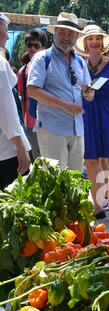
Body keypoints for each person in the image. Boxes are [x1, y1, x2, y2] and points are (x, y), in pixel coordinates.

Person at [74, 25, 109, 223]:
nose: (94, 42)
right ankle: (98, 207)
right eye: (90, 39)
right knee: (90, 162)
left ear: (102, 42)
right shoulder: (79, 65)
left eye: (98, 38)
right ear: (85, 43)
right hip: (87, 116)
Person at [27, 13, 94, 172]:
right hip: (52, 130)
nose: (66, 37)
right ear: (55, 32)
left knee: (75, 183)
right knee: (55, 183)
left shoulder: (81, 62)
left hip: (77, 130)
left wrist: (88, 94)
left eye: (70, 33)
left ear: (76, 36)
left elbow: (90, 94)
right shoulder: (42, 58)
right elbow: (33, 91)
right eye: (62, 32)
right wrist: (64, 105)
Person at [0, 13, 31, 191]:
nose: (6, 35)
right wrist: (20, 146)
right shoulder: (1, 65)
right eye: (4, 31)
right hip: (7, 151)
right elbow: (7, 111)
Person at [17, 29, 47, 161]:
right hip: (31, 122)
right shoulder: (22, 72)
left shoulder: (50, 67)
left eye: (36, 45)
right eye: (29, 45)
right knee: (38, 161)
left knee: (53, 159)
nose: (32, 48)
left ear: (43, 47)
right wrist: (24, 124)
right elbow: (23, 99)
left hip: (50, 120)